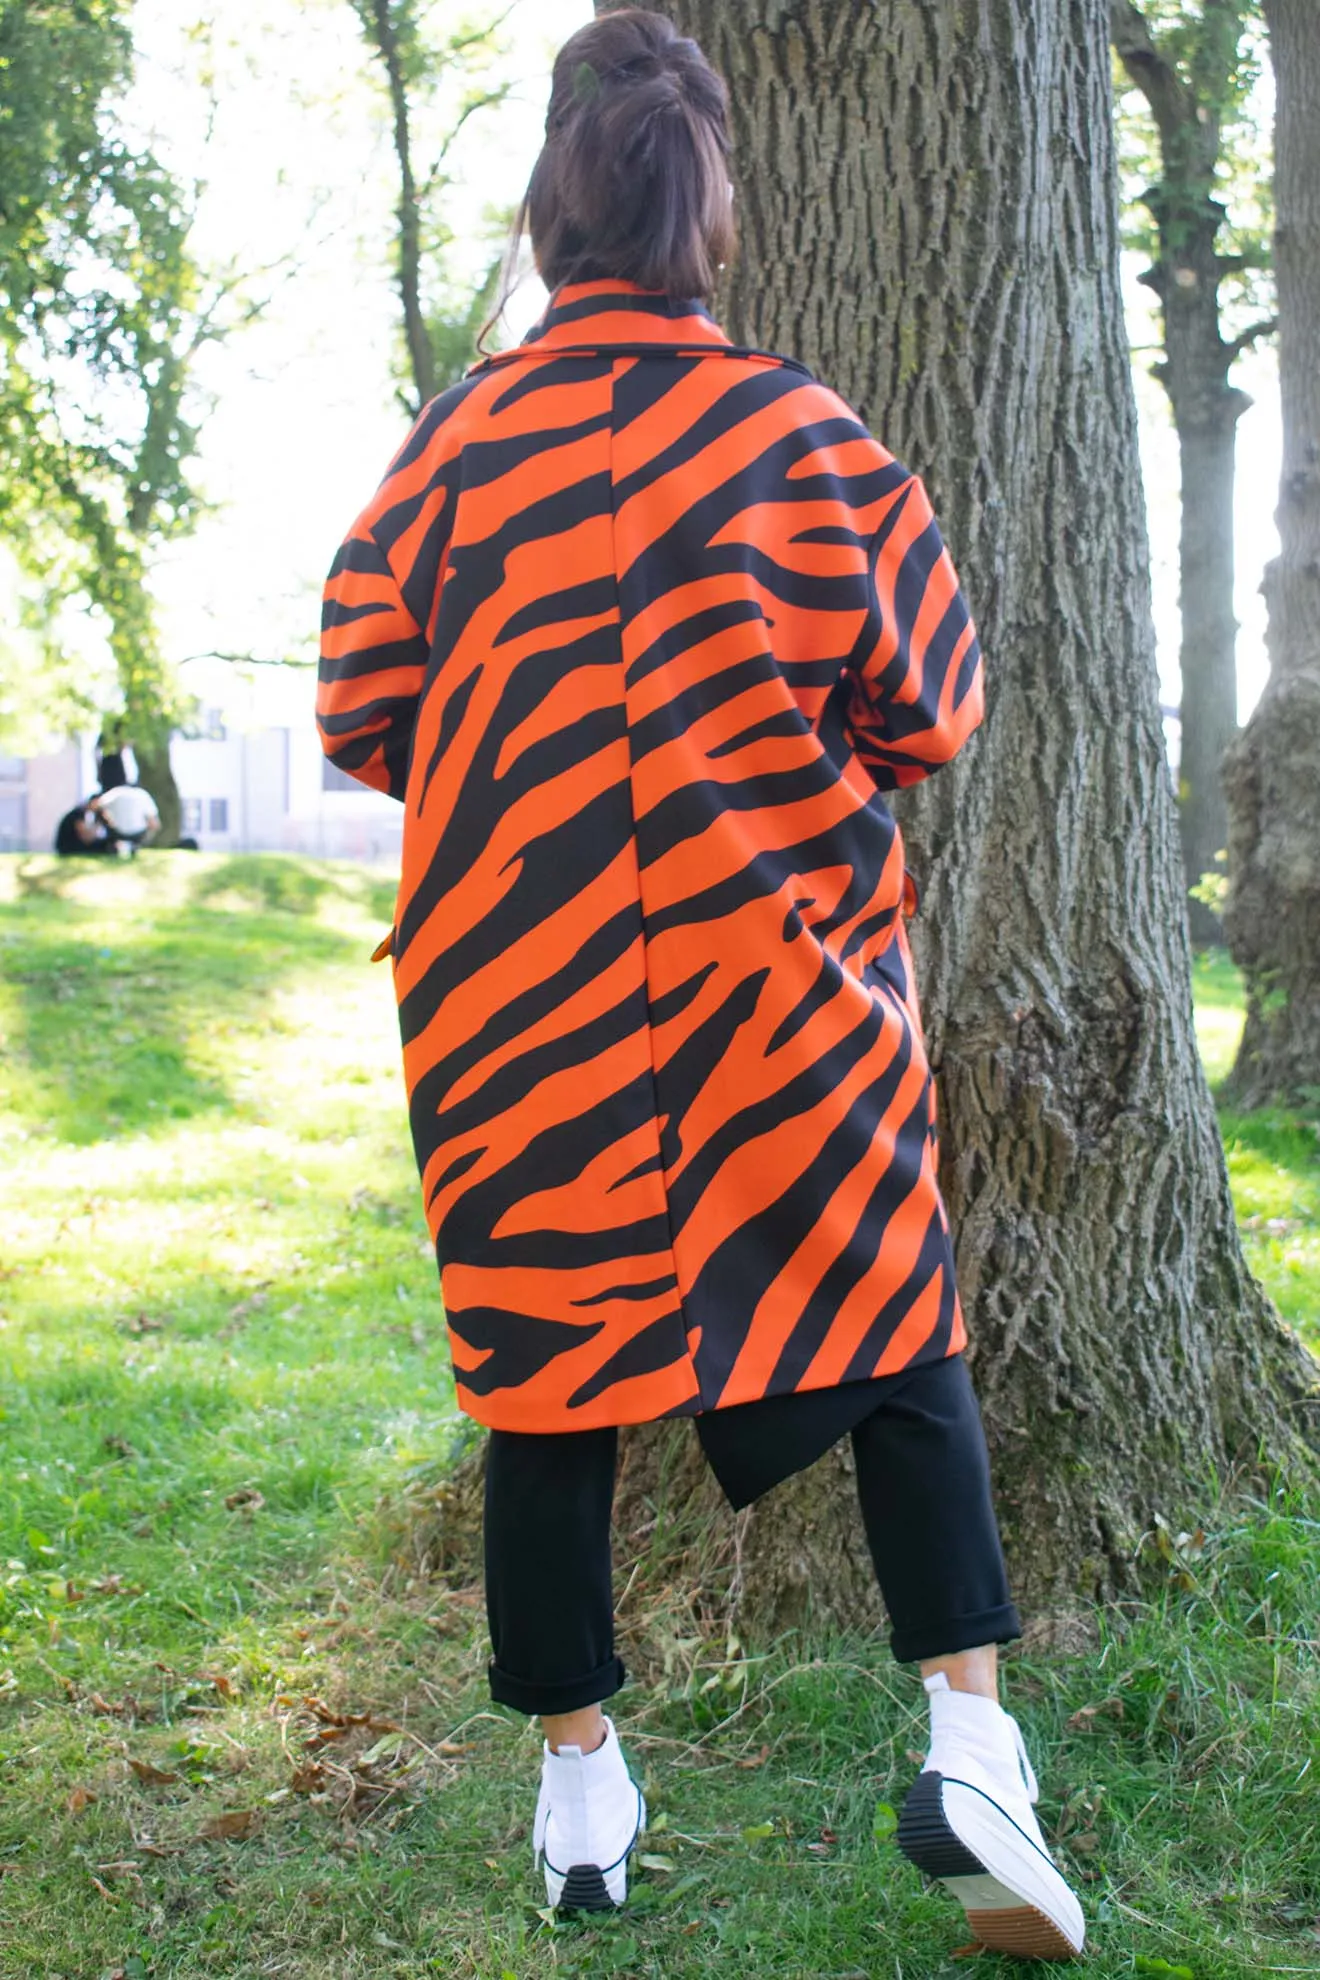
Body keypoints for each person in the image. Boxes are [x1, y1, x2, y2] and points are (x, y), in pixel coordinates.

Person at [317, 9, 1085, 1962]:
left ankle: (581, 1793)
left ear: (553, 204)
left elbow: (360, 705)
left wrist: (528, 769)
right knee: (896, 1332)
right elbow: (932, 701)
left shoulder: (451, 460)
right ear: (709, 207)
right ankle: (973, 1752)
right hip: (783, 985)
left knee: (546, 1384)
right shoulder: (808, 444)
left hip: (523, 1002)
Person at [88, 778, 160, 855]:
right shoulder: (143, 794)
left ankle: (112, 844)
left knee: (101, 813)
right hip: (138, 833)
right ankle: (137, 845)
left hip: (117, 832)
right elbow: (154, 823)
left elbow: (95, 805)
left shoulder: (115, 792)